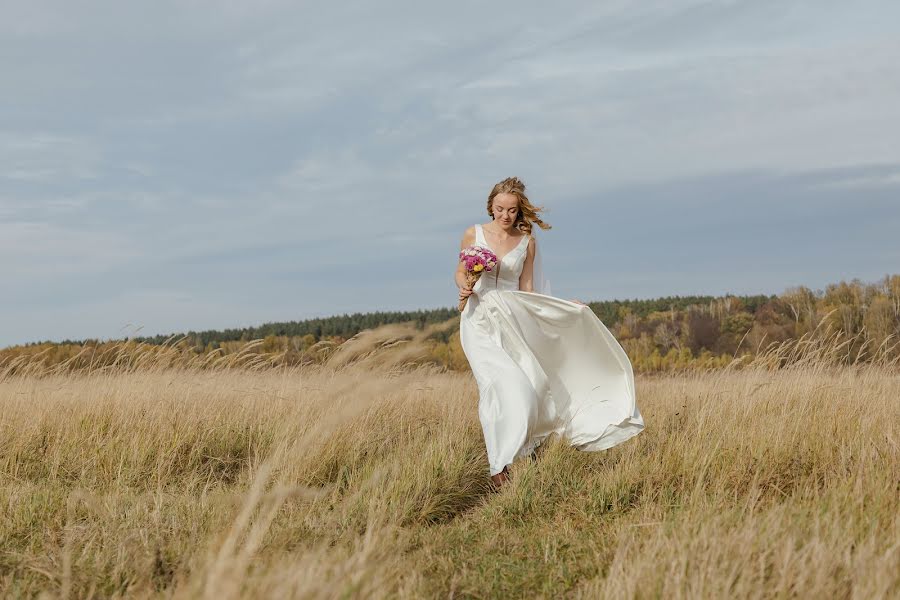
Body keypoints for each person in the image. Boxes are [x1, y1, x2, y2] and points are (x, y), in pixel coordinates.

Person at [455, 177, 644, 488]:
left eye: (512, 210)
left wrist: (564, 307)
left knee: (532, 387)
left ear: (519, 212)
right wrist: (464, 285)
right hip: (478, 319)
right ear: (490, 206)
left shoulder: (527, 242)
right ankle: (498, 470)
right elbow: (461, 269)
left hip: (514, 319)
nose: (506, 215)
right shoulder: (473, 234)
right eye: (500, 209)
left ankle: (526, 450)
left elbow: (528, 290)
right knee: (502, 385)